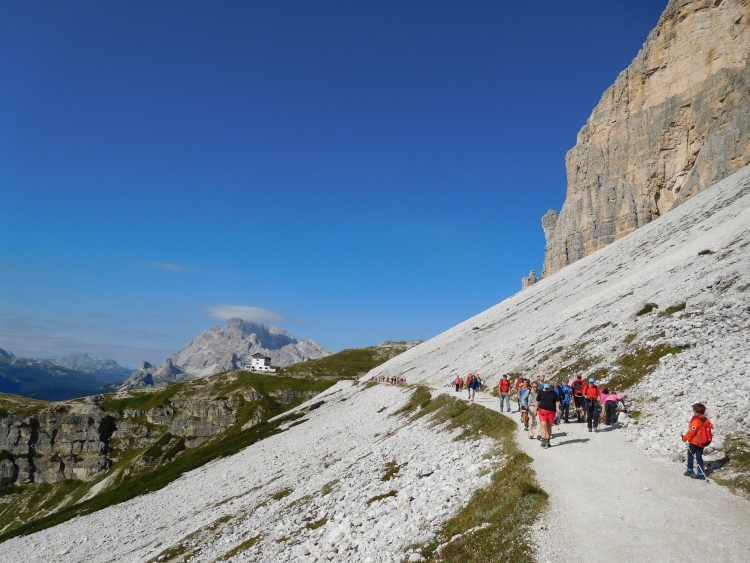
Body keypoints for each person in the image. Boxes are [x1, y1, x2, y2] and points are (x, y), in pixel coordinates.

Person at [682, 403, 713, 480]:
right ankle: (700, 473)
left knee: (690, 454)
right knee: (699, 457)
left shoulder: (696, 420)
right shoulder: (705, 419)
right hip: (703, 442)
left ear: (695, 410)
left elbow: (692, 431)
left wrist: (685, 438)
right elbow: (710, 426)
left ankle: (690, 470)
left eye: (693, 409)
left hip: (695, 442)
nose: (693, 410)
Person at [536, 383, 559, 448]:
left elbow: (557, 401)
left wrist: (558, 407)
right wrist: (535, 409)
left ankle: (547, 440)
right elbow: (537, 401)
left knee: (549, 426)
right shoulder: (541, 392)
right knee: (543, 425)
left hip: (551, 412)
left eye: (547, 388)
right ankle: (543, 440)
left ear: (550, 388)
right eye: (545, 388)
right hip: (542, 411)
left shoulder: (553, 393)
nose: (546, 389)